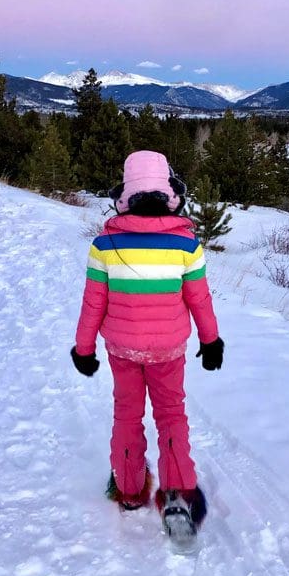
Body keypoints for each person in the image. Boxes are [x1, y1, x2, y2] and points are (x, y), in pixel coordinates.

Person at [71, 150, 224, 538]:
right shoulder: (187, 244)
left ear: (126, 192)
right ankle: (178, 495)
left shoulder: (104, 244)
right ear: (169, 190)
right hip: (169, 349)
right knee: (171, 414)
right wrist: (211, 340)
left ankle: (128, 490)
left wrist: (83, 348)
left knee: (127, 415)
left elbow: (93, 303)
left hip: (122, 349)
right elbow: (199, 299)